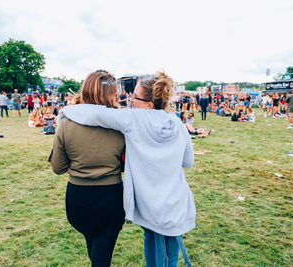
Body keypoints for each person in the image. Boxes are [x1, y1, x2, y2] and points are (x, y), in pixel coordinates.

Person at [58, 71, 195, 267]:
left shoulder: (133, 119)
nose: (130, 99)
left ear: (149, 104)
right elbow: (188, 161)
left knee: (161, 245)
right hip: (174, 196)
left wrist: (65, 112)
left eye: (135, 96)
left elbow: (96, 114)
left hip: (151, 199)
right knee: (161, 239)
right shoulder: (178, 124)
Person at [49, 70, 126, 267]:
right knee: (101, 252)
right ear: (111, 93)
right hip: (111, 196)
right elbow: (128, 163)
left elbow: (57, 167)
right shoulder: (121, 122)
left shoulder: (66, 122)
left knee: (96, 248)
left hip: (79, 197)